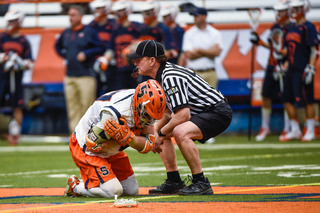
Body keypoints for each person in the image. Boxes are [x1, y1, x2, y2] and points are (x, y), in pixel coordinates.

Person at [128, 40, 232, 195]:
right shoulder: (162, 75)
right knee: (161, 132)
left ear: (152, 60)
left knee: (179, 132)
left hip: (217, 112)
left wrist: (161, 134)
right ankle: (174, 181)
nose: (135, 62)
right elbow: (168, 113)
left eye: (139, 59)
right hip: (203, 112)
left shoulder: (169, 76)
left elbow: (183, 114)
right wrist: (155, 133)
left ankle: (201, 182)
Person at [64, 79, 166, 198]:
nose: (149, 121)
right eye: (148, 115)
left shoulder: (143, 102)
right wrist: (120, 137)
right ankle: (76, 186)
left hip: (112, 149)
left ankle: (96, 181)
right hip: (85, 147)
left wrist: (128, 137)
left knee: (131, 191)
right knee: (113, 192)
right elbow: (92, 144)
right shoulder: (113, 112)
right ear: (139, 104)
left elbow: (148, 145)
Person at [55, 5, 104, 134]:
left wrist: (87, 54)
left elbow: (100, 47)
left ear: (81, 16)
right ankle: (75, 135)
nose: (70, 18)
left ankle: (88, 135)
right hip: (70, 75)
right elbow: (57, 46)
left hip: (86, 75)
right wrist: (65, 55)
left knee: (87, 107)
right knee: (72, 108)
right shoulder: (66, 32)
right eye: (69, 15)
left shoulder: (89, 32)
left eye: (73, 15)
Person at [250, 0, 291, 141]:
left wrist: (286, 62)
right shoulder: (275, 27)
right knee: (266, 96)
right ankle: (265, 127)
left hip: (285, 66)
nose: (279, 13)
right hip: (272, 64)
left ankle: (287, 128)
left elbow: (291, 50)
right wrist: (259, 42)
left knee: (287, 98)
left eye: (281, 11)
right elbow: (272, 46)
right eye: (278, 11)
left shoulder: (292, 27)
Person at [281, 0, 318, 142]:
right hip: (291, 69)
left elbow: (314, 50)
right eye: (293, 8)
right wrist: (281, 59)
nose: (294, 11)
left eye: (297, 8)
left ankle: (310, 130)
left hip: (303, 68)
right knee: (286, 99)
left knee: (307, 100)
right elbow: (286, 50)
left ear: (304, 9)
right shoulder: (290, 27)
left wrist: (311, 67)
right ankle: (295, 129)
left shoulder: (308, 27)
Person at [0, 10, 33, 145]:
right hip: (2, 77)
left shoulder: (23, 41)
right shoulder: (2, 37)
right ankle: (3, 133)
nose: (10, 24)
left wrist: (19, 63)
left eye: (13, 21)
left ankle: (15, 134)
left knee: (17, 106)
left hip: (16, 78)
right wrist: (5, 59)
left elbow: (28, 63)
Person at [98, 0, 141, 90]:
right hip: (119, 70)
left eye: (120, 11)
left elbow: (144, 42)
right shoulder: (115, 29)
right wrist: (105, 58)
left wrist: (132, 48)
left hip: (135, 69)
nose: (118, 14)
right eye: (117, 11)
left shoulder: (137, 27)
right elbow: (111, 48)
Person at [179, 7, 222, 89]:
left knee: (212, 100)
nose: (194, 18)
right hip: (194, 72)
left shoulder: (215, 33)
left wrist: (199, 50)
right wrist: (209, 52)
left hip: (210, 72)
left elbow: (216, 53)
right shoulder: (189, 33)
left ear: (204, 17)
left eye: (197, 16)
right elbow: (189, 55)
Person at [89, 0, 117, 96]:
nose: (98, 11)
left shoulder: (114, 25)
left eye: (100, 8)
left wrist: (109, 57)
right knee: (94, 94)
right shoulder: (91, 26)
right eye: (97, 8)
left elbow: (115, 44)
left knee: (113, 93)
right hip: (96, 65)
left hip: (112, 64)